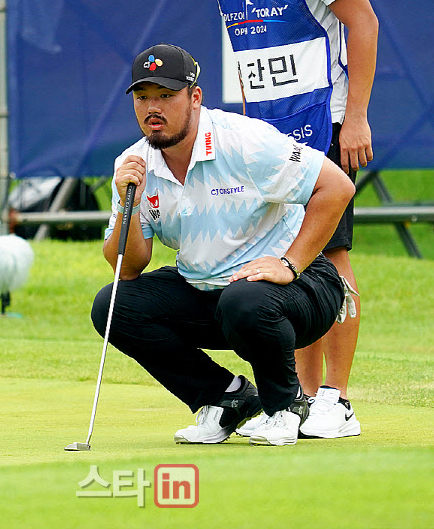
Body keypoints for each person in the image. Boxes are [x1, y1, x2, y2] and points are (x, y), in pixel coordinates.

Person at [198, 0, 378, 438]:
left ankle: (338, 398)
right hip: (267, 137)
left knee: (331, 254)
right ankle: (301, 395)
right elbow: (250, 56)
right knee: (285, 258)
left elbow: (363, 23)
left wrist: (355, 118)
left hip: (324, 121)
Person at [91, 43, 356, 446]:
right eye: (143, 98)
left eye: (166, 95)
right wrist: (131, 203)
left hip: (301, 288)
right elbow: (128, 268)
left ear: (194, 98)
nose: (152, 108)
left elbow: (337, 186)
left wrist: (290, 263)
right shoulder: (133, 165)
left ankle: (287, 406)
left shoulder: (243, 141)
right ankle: (225, 398)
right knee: (113, 305)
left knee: (243, 300)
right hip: (212, 291)